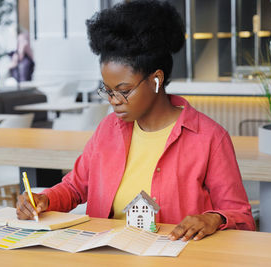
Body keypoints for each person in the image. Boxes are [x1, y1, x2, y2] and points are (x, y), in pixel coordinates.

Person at [16, 0, 255, 241]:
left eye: (124, 90)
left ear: (156, 80)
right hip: (106, 253)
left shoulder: (209, 138)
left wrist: (213, 218)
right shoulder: (108, 130)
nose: (114, 100)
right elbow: (75, 187)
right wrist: (45, 199)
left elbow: (242, 218)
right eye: (108, 90)